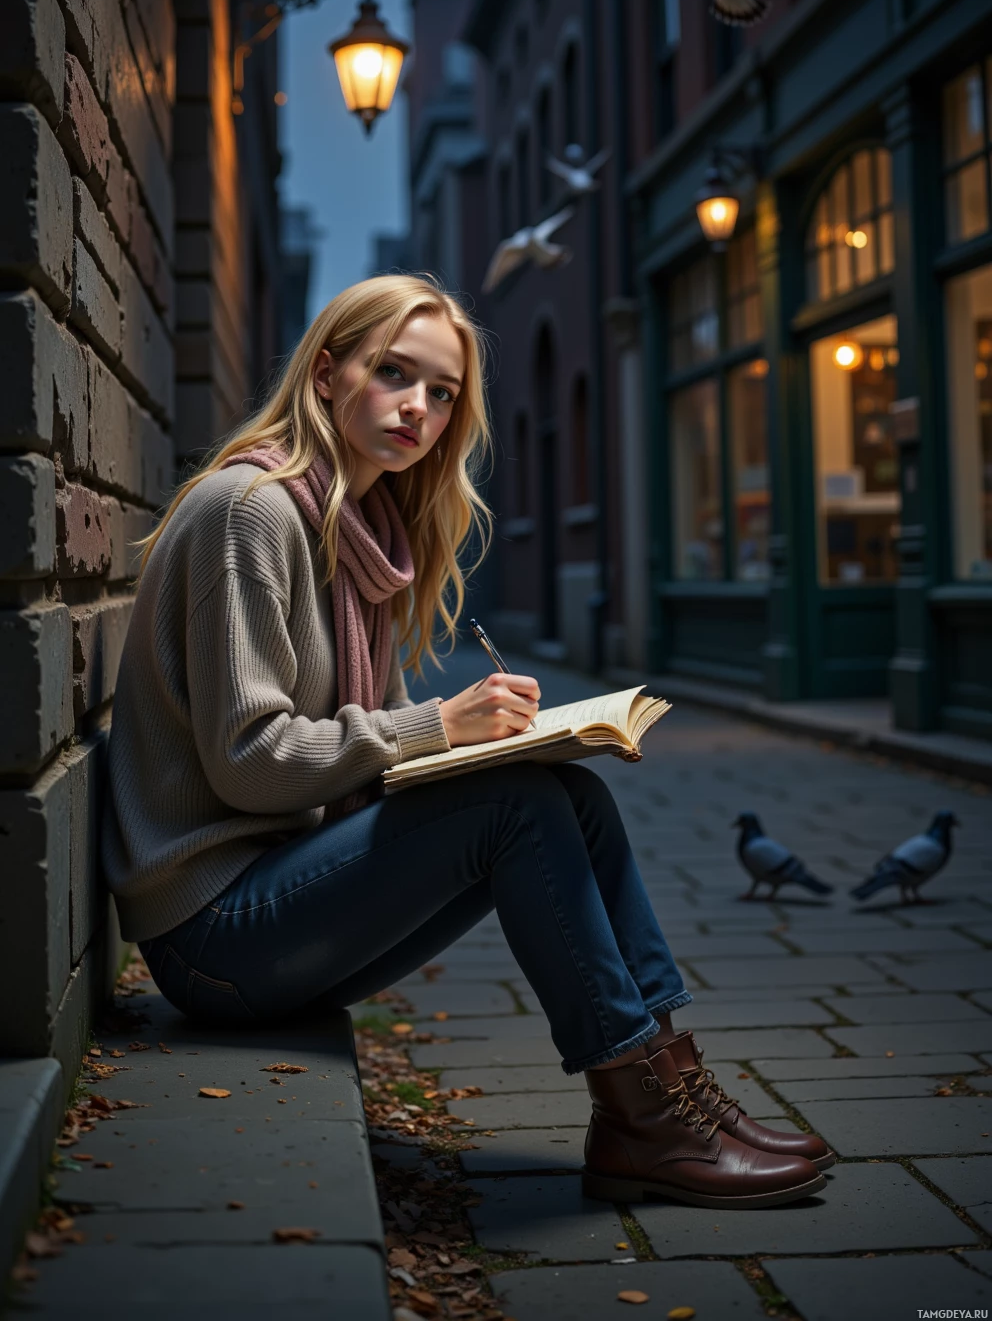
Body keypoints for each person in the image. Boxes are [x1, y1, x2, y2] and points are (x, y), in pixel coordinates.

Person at [104, 274, 832, 1209]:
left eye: (442, 392)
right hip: (214, 935)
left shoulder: (361, 532)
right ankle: (642, 1117)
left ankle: (669, 1087)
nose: (419, 407)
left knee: (570, 797)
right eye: (393, 373)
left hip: (278, 893)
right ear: (325, 375)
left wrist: (508, 742)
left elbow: (383, 753)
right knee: (515, 811)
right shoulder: (252, 510)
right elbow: (250, 762)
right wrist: (439, 726)